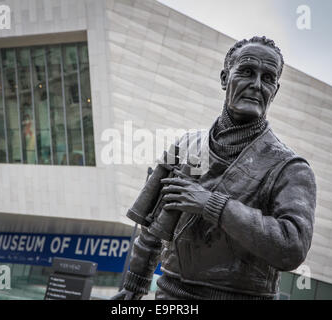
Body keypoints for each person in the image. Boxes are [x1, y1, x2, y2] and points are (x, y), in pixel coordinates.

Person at [112, 36, 317, 300]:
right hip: (171, 296)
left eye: (267, 78)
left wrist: (213, 204)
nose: (256, 85)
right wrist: (134, 285)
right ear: (224, 78)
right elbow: (153, 226)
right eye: (246, 72)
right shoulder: (185, 146)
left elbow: (292, 247)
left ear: (274, 91)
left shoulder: (289, 168)